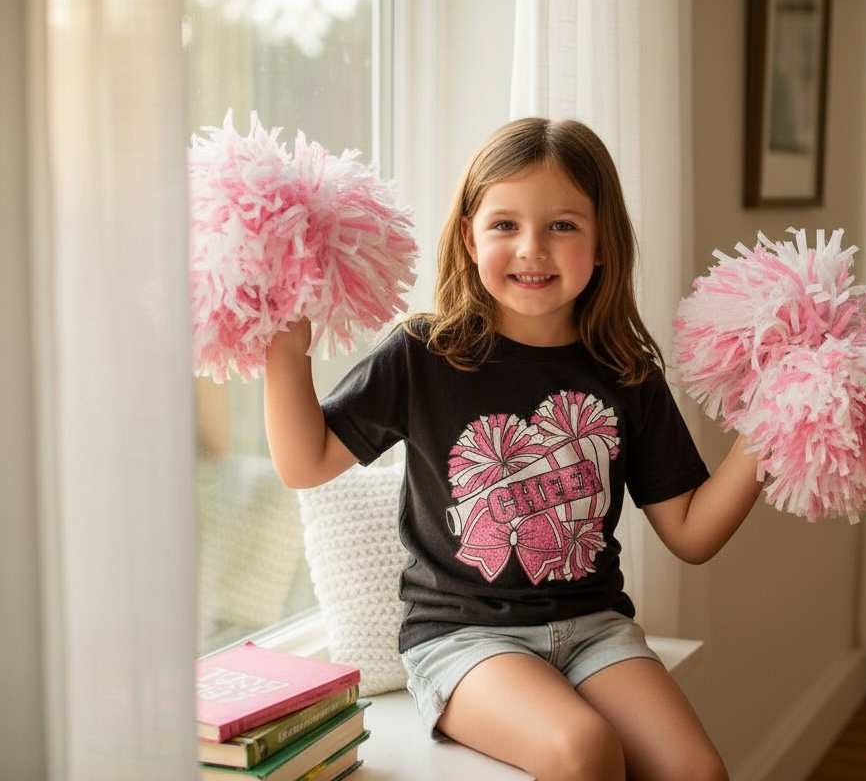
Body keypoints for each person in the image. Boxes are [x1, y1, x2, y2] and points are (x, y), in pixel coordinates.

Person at [264, 117, 763, 781]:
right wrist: (284, 346)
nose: (532, 249)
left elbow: (692, 533)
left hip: (596, 629)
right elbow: (304, 464)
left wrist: (773, 428)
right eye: (505, 224)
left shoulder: (626, 371)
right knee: (584, 749)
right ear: (469, 236)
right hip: (463, 639)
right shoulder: (422, 355)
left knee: (697, 771)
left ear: (603, 242)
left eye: (562, 225)